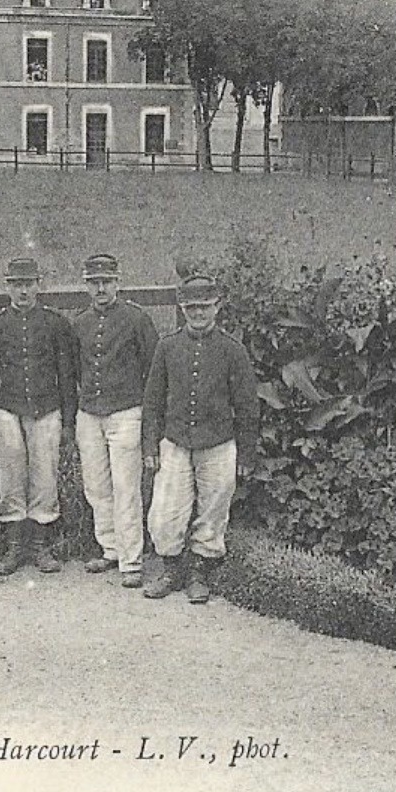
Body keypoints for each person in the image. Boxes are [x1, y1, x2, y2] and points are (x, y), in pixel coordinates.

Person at [141, 274, 259, 605]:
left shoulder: (232, 351)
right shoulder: (167, 347)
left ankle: (198, 573)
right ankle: (171, 569)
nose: (198, 313)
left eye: (205, 307)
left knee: (213, 510)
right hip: (176, 441)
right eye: (191, 307)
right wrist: (150, 446)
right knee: (165, 512)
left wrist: (247, 455)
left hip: (219, 443)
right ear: (182, 308)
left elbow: (247, 406)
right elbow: (152, 402)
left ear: (217, 306)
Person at [0, 257, 78, 576]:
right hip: (8, 408)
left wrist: (68, 420)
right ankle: (14, 547)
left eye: (29, 284)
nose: (23, 291)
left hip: (46, 408)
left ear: (39, 284)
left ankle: (40, 546)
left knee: (44, 475)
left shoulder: (55, 323)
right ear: (7, 287)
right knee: (10, 475)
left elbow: (66, 374)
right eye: (17, 285)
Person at [70, 253, 159, 589]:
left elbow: (153, 370)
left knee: (126, 487)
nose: (101, 288)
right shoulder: (80, 323)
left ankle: (131, 560)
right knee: (96, 486)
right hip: (89, 413)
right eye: (94, 283)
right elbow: (74, 370)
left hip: (126, 412)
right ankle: (110, 548)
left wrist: (148, 419)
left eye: (107, 281)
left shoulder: (137, 319)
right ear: (86, 284)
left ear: (117, 282)